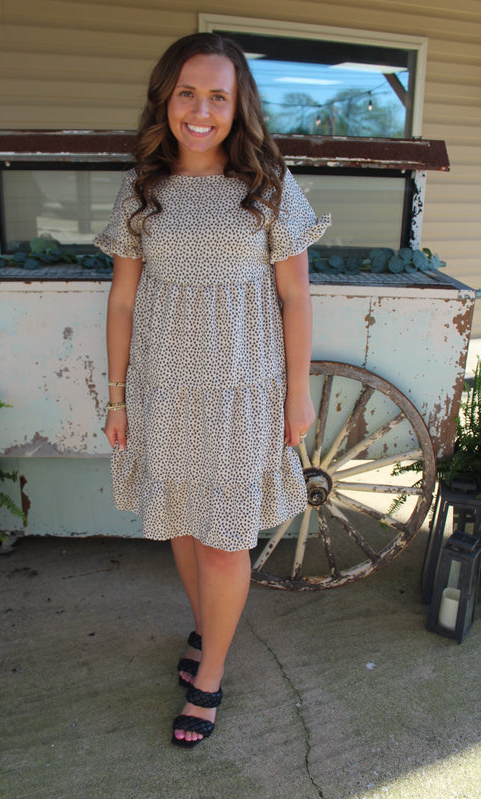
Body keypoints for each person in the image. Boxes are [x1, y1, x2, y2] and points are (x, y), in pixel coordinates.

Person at [94, 32, 331, 749]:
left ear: (238, 105)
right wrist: (116, 397)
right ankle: (207, 626)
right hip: (164, 387)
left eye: (217, 96)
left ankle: (211, 674)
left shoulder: (267, 186)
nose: (201, 110)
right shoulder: (143, 187)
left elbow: (295, 298)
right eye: (187, 93)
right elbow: (123, 304)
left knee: (226, 539)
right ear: (167, 99)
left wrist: (297, 393)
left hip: (242, 393)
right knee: (183, 522)